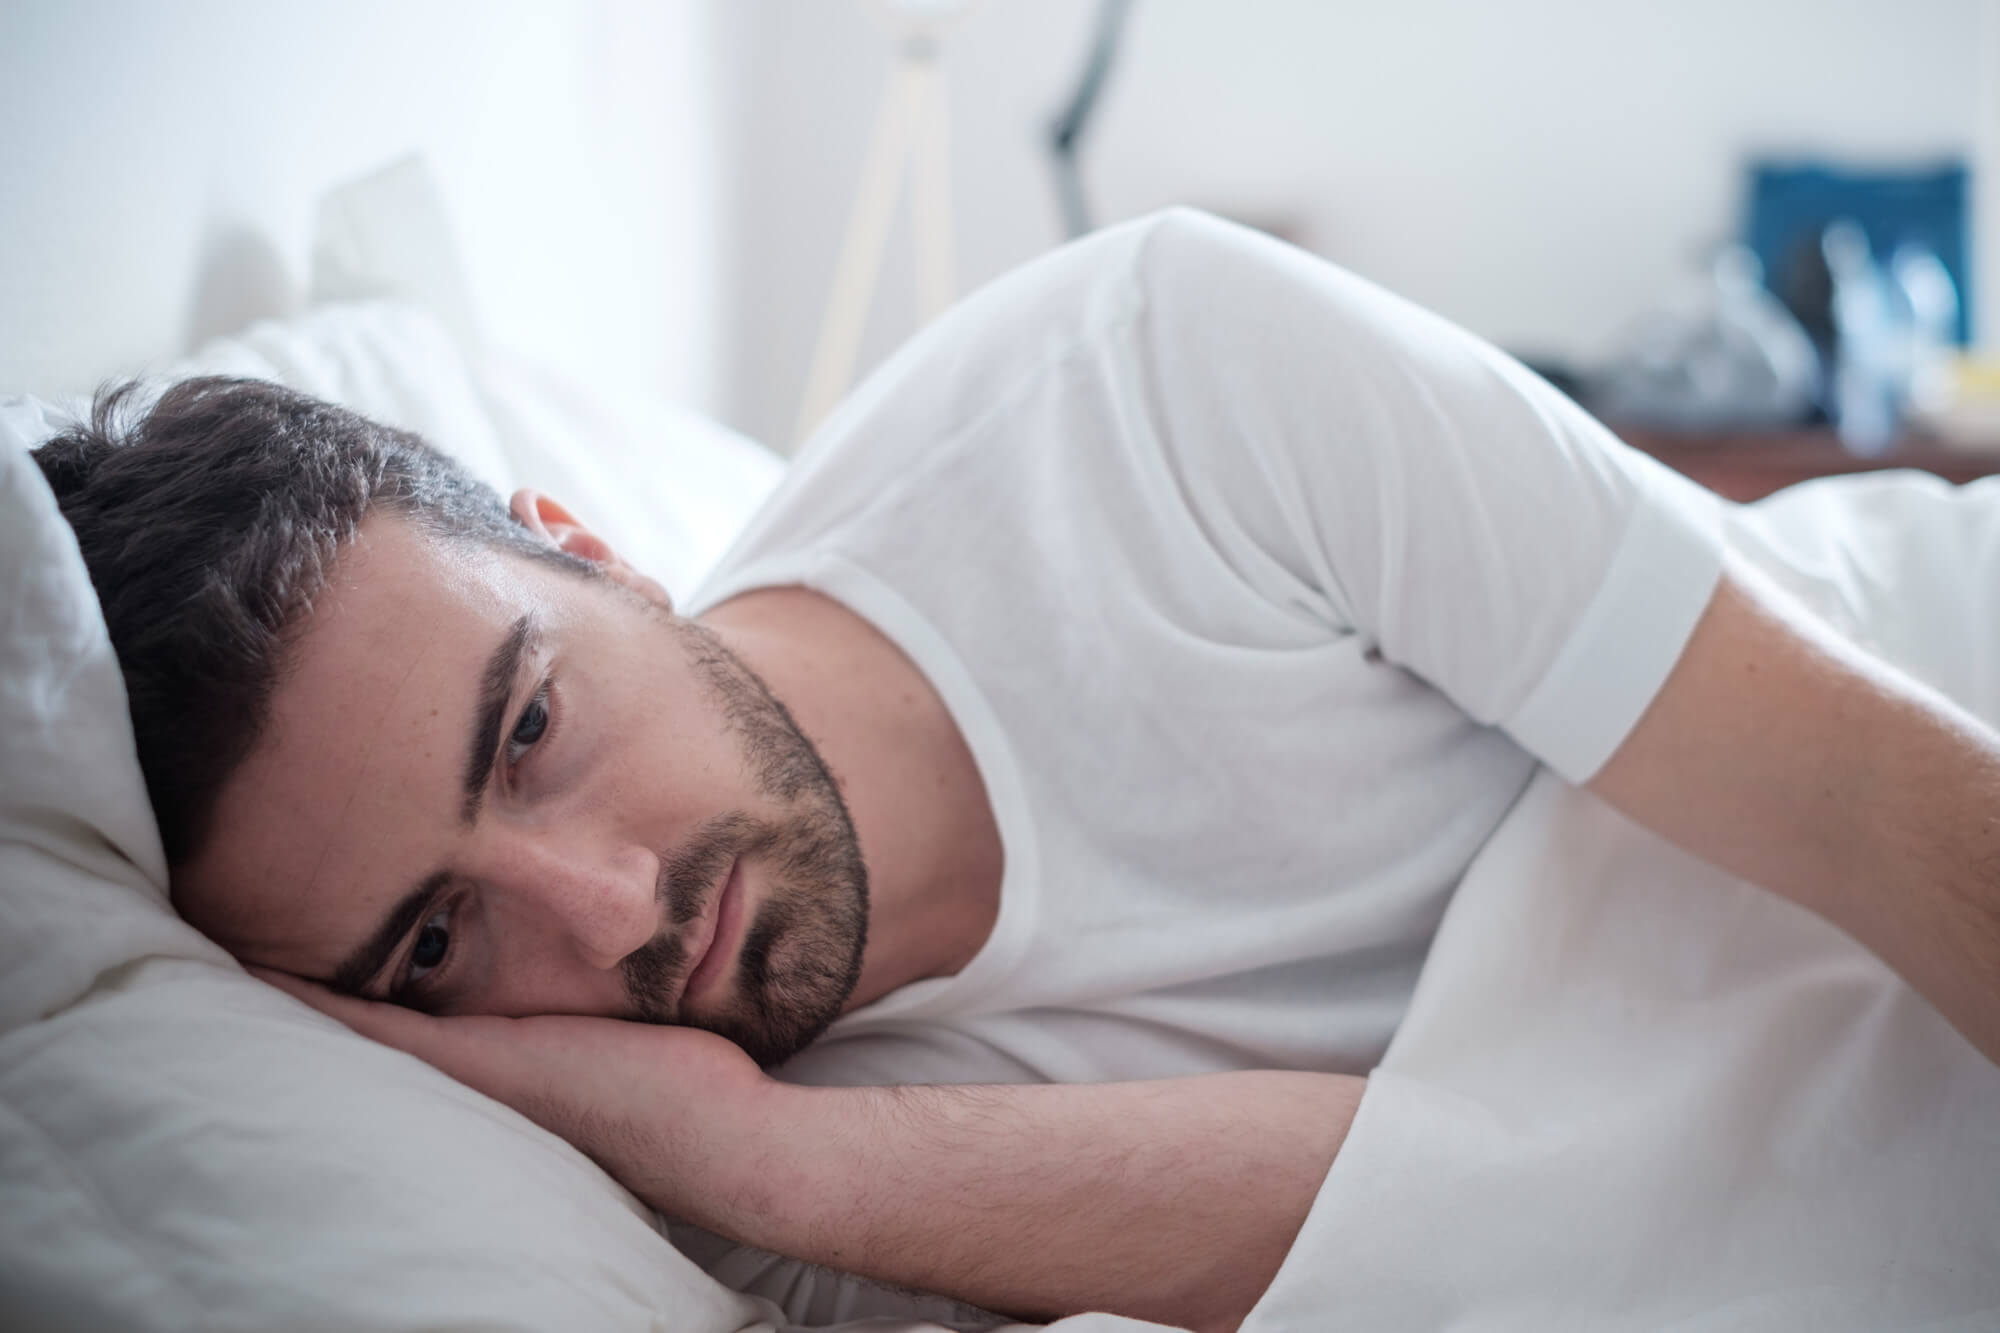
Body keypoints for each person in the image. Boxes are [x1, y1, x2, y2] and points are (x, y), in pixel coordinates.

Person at [33, 209, 2000, 1330]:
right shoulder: (725, 1170)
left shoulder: (1150, 382)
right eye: (437, 946)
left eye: (531, 725)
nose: (614, 913)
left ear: (588, 541)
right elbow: (1489, 1209)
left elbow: (1860, 790)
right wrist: (759, 1157)